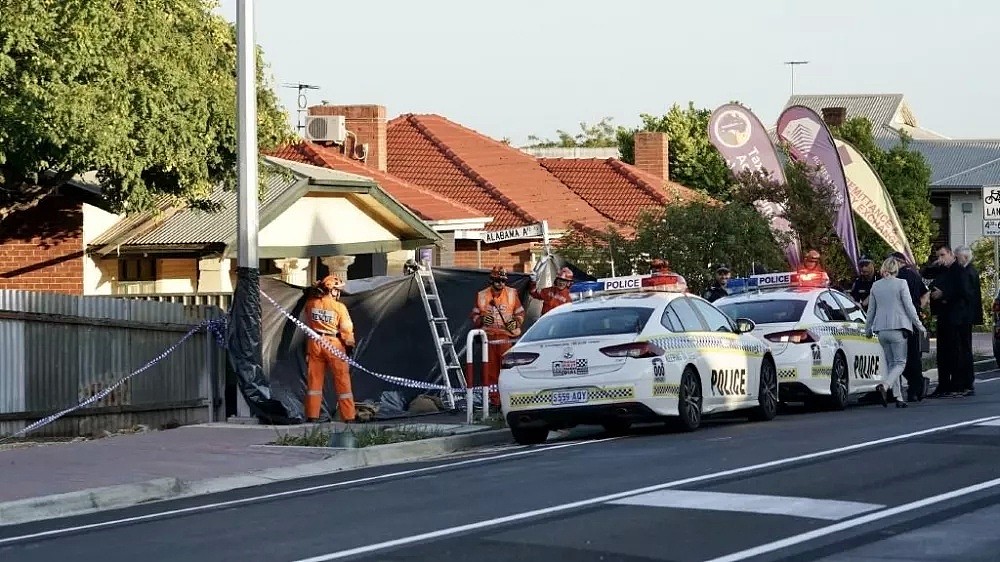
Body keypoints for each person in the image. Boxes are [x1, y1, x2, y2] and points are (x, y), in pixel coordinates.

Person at [865, 257, 926, 408]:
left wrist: (868, 328)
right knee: (900, 363)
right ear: (896, 269)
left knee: (891, 363)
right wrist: (919, 325)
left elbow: (871, 310)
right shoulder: (901, 284)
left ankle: (899, 397)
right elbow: (909, 307)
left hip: (881, 330)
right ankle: (885, 386)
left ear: (883, 268)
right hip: (898, 327)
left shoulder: (876, 286)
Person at [304, 275, 357, 423]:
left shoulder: (311, 304)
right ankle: (349, 416)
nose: (338, 293)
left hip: (314, 343)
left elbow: (308, 321)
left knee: (314, 382)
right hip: (334, 344)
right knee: (342, 381)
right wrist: (350, 345)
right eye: (337, 290)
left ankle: (312, 416)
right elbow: (346, 329)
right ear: (331, 290)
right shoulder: (339, 307)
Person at [470, 266, 525, 405]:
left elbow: (520, 313)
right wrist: (482, 320)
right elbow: (474, 315)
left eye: (503, 280)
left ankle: (509, 401)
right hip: (488, 339)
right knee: (490, 372)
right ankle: (495, 403)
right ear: (491, 280)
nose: (501, 283)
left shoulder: (512, 294)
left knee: (508, 371)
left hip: (506, 339)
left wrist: (515, 322)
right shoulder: (482, 295)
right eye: (498, 280)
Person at [926, 245, 972, 398]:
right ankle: (943, 384)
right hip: (943, 316)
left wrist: (944, 294)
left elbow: (964, 292)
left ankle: (958, 384)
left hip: (956, 318)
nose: (941, 259)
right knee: (943, 353)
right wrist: (935, 264)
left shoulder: (959, 270)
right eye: (938, 256)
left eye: (943, 255)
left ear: (951, 254)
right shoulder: (941, 270)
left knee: (956, 352)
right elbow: (925, 273)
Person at [888, 251, 930, 401]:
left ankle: (915, 385)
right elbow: (925, 294)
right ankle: (916, 387)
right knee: (913, 355)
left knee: (900, 356)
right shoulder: (914, 275)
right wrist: (919, 309)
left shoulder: (896, 278)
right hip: (913, 319)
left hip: (899, 320)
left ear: (897, 262)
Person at [954, 245, 983, 396]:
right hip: (967, 316)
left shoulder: (966, 272)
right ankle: (965, 382)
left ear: (964, 257)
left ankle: (966, 382)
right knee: (965, 348)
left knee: (964, 349)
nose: (956, 259)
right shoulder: (971, 271)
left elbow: (964, 293)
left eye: (957, 257)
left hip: (963, 316)